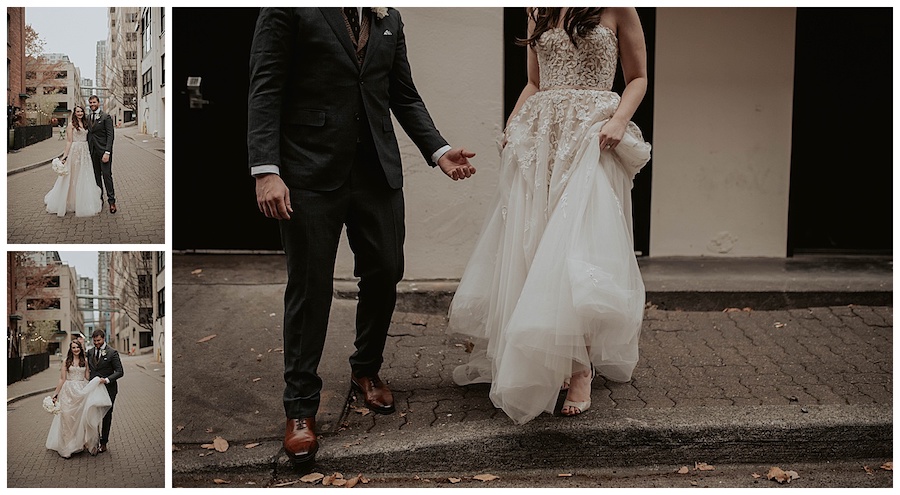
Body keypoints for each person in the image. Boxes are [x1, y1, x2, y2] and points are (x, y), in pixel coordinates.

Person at [248, 7, 476, 466]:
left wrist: (439, 149)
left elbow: (402, 94)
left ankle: (365, 369)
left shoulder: (389, 15)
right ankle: (300, 409)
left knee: (387, 269)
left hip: (377, 170)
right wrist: (266, 171)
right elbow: (265, 87)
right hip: (308, 171)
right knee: (310, 287)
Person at [448, 7, 652, 424]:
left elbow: (638, 78)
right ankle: (559, 355)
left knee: (578, 245)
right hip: (542, 136)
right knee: (539, 242)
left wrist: (618, 120)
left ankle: (581, 369)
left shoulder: (616, 7)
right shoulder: (536, 10)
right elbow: (535, 82)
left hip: (594, 135)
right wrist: (512, 126)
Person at [45, 340, 112, 458]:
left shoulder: (85, 361)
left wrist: (97, 381)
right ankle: (66, 448)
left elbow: (87, 377)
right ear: (70, 349)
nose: (75, 349)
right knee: (67, 420)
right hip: (68, 392)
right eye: (73, 347)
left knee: (79, 419)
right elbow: (62, 379)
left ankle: (79, 444)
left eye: (77, 347)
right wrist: (55, 394)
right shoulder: (66, 361)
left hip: (81, 392)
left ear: (81, 349)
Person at [43, 105, 103, 217]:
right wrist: (65, 156)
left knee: (84, 175)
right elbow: (69, 141)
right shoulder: (71, 125)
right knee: (73, 176)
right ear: (74, 113)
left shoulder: (86, 124)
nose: (80, 113)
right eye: (77, 112)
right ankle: (71, 201)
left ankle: (83, 200)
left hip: (85, 151)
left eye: (81, 111)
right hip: (75, 151)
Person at [87, 329, 124, 453]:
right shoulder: (90, 352)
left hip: (109, 389)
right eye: (94, 341)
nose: (96, 343)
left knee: (106, 416)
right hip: (94, 389)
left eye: (98, 340)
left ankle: (104, 442)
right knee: (92, 414)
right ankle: (93, 441)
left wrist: (107, 380)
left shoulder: (112, 352)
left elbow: (120, 372)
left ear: (103, 339)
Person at [87, 95, 117, 213]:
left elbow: (110, 136)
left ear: (98, 103)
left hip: (104, 152)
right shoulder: (88, 117)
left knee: (107, 176)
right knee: (96, 177)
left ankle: (112, 201)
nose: (92, 104)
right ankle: (100, 200)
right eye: (90, 102)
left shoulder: (106, 117)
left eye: (94, 102)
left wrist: (107, 152)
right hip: (93, 152)